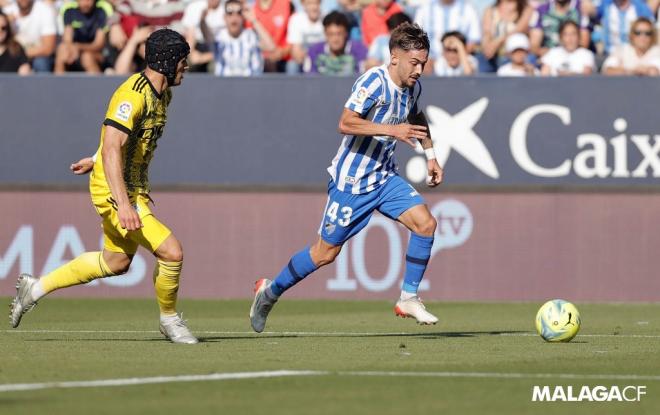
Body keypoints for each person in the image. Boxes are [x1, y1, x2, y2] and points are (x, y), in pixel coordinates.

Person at [250, 22, 444, 333]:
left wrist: (431, 155)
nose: (420, 69)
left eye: (423, 63)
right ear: (395, 57)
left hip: (384, 176)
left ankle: (408, 297)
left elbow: (416, 115)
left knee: (426, 224)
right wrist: (392, 130)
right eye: (415, 62)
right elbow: (345, 122)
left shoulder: (413, 87)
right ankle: (270, 292)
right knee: (325, 253)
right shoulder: (373, 82)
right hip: (352, 182)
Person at [9, 29, 198, 345]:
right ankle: (169, 320)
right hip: (115, 190)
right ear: (167, 61)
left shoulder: (163, 91)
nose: (186, 66)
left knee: (116, 263)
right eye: (182, 60)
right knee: (172, 252)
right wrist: (123, 203)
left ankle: (35, 288)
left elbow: (123, 140)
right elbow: (113, 146)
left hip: (130, 186)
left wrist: (95, 157)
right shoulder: (132, 95)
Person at [213, 0, 276, 76]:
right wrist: (202, 20)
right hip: (224, 85)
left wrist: (254, 20)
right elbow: (207, 38)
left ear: (243, 16)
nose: (234, 17)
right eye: (230, 13)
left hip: (250, 84)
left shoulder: (251, 35)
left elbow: (271, 47)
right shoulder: (218, 36)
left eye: (239, 13)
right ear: (225, 17)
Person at [305, 10, 368, 75]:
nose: (335, 39)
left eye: (339, 34)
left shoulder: (359, 50)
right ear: (325, 34)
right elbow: (310, 79)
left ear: (346, 33)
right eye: (331, 34)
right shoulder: (314, 51)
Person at [2, 0, 57, 72]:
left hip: (35, 56)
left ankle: (43, 83)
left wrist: (21, 56)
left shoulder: (45, 11)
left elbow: (48, 48)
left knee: (41, 63)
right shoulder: (7, 11)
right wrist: (8, 23)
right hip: (13, 55)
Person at [55, 0, 108, 73]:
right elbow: (67, 39)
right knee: (62, 50)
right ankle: (58, 83)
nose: (86, 2)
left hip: (97, 54)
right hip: (74, 52)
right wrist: (71, 49)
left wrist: (78, 47)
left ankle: (98, 84)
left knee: (87, 57)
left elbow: (98, 44)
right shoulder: (69, 11)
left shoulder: (101, 12)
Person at [479, 0, 533, 72]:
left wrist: (497, 42)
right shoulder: (490, 10)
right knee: (482, 58)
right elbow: (486, 32)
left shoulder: (526, 9)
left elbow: (519, 29)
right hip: (494, 54)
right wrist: (487, 47)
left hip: (514, 54)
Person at [413, 0, 481, 55]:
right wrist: (424, 59)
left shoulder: (469, 9)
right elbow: (415, 39)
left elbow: (473, 43)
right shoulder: (424, 8)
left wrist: (455, 59)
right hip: (428, 63)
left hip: (460, 65)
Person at [182, 0, 225, 72]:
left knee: (215, 66)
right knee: (185, 63)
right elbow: (190, 35)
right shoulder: (194, 7)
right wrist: (191, 54)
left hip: (217, 51)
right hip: (196, 46)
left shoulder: (227, 10)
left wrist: (203, 58)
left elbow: (226, 45)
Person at [286, 0, 325, 74]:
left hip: (322, 60)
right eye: (310, 3)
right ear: (303, 4)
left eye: (316, 3)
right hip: (304, 60)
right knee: (292, 65)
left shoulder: (327, 18)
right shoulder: (296, 19)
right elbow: (296, 53)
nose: (314, 7)